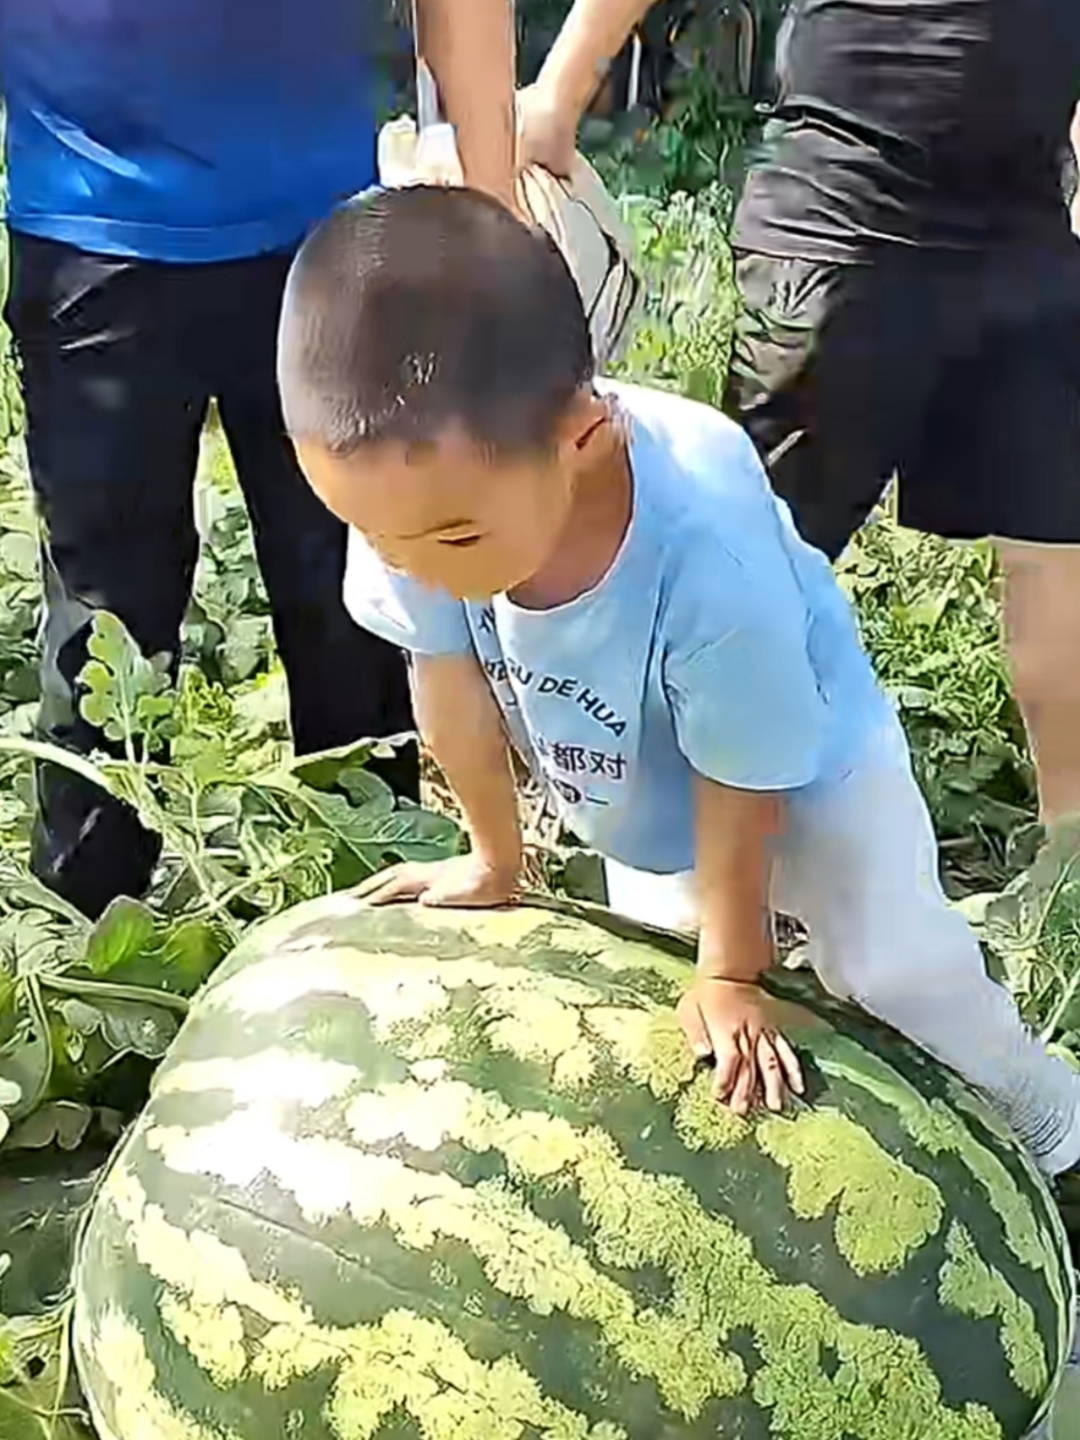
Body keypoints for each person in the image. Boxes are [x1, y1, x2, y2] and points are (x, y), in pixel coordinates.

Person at [275, 184, 1080, 1201]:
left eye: (449, 544)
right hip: (640, 797)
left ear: (583, 436)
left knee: (895, 972)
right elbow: (444, 674)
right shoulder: (420, 503)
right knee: (672, 1027)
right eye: (382, 539)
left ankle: (1044, 1116)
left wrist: (736, 960)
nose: (413, 567)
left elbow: (745, 775)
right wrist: (493, 856)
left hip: (807, 766)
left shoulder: (706, 542)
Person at [0, 0, 518, 920]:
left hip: (328, 233)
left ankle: (379, 955)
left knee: (357, 610)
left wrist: (496, 215)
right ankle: (93, 978)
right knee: (104, 638)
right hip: (89, 223)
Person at [518, 0, 1080, 839]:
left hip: (1026, 238)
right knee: (753, 550)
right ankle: (665, 825)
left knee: (1057, 544)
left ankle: (1067, 855)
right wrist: (559, 95)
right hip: (836, 222)